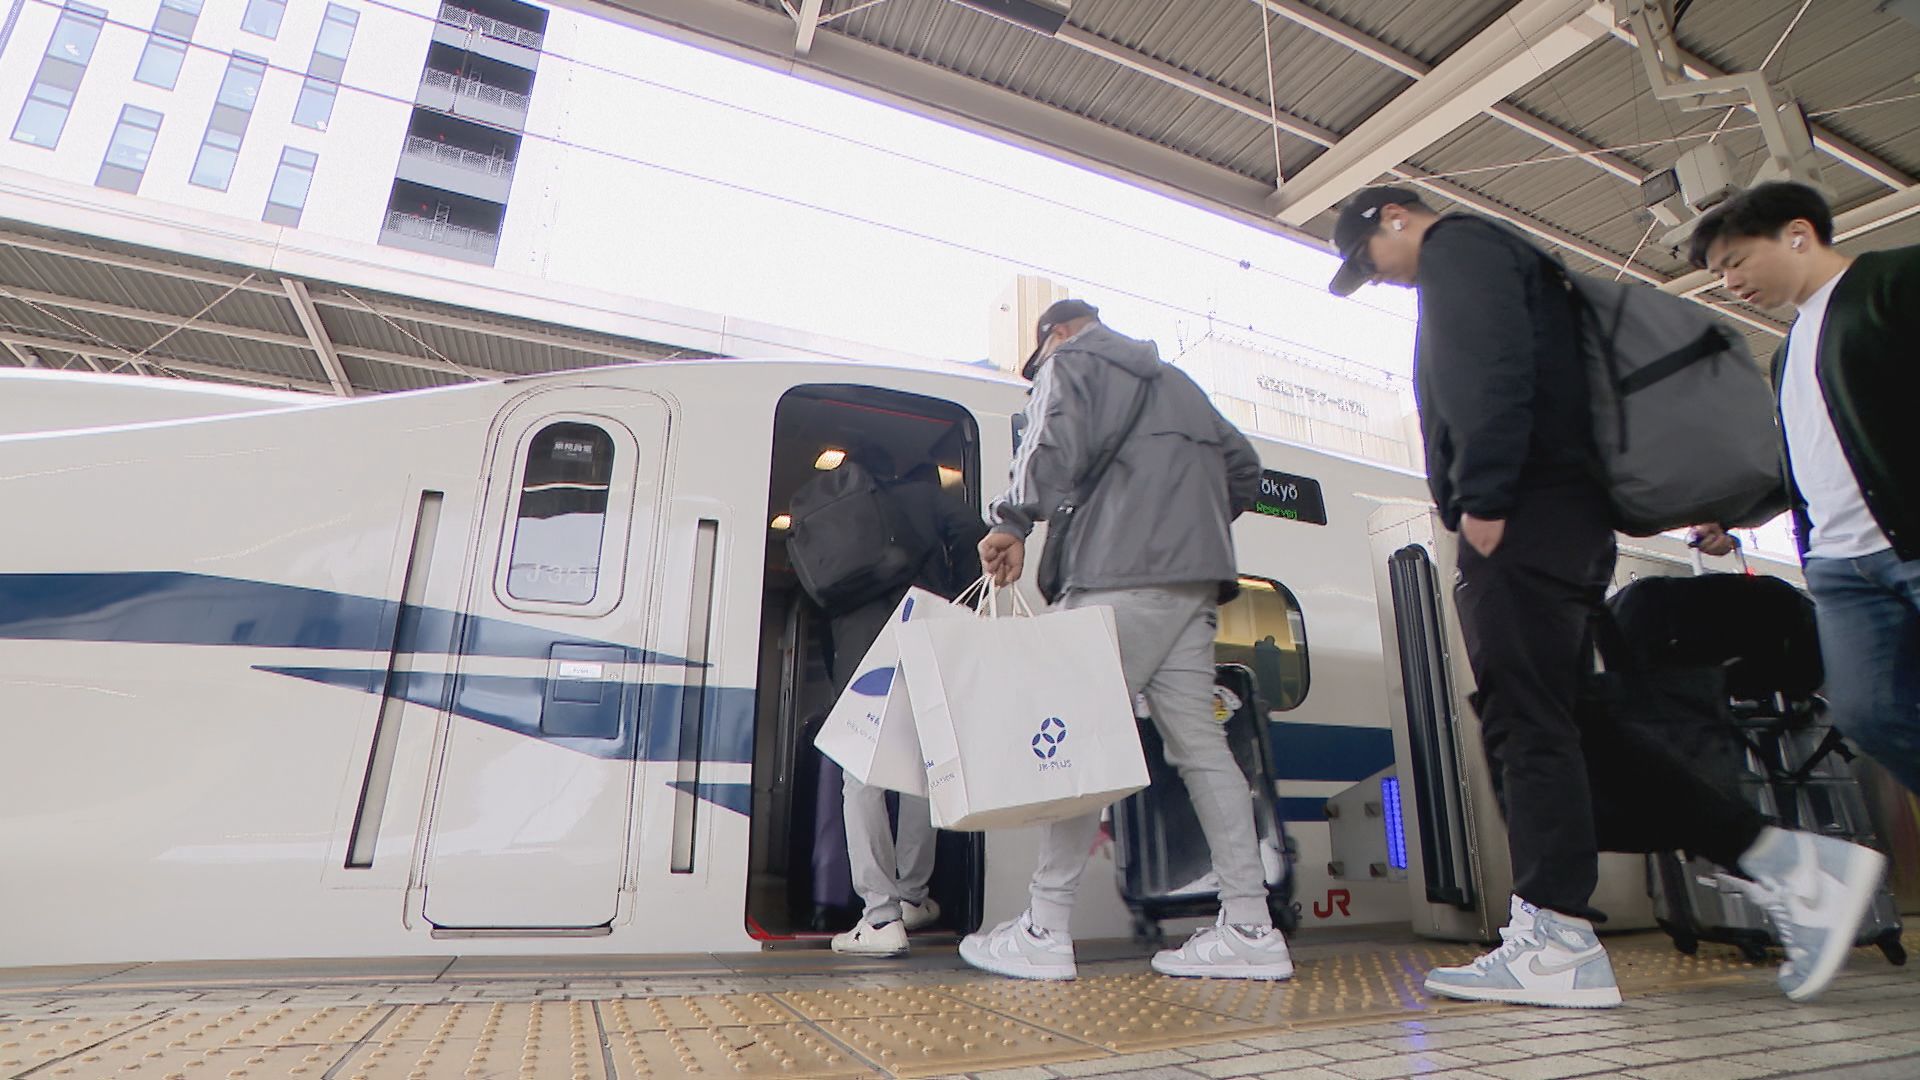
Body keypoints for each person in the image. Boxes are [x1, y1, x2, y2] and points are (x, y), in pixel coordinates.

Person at [1326, 186, 1887, 1006]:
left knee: (1525, 720)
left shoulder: (1462, 251)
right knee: (1571, 724)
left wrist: (1482, 499)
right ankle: (1793, 864)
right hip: (1558, 516)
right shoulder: (1503, 260)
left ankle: (1555, 937)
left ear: (1394, 218)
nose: (1377, 278)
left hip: (1525, 516)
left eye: (1367, 260)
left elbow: (1487, 367)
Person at [962, 298, 1295, 982]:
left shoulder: (1071, 361)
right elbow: (1245, 469)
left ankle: (1045, 928)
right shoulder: (1179, 384)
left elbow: (1049, 441)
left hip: (1116, 577)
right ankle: (1251, 928)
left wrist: (1013, 523)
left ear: (1054, 333)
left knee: (1080, 743)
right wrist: (1182, 524)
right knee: (1203, 751)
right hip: (1194, 586)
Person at [1685, 182, 1919, 798]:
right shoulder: (1788, 355)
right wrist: (1737, 520)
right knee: (1869, 714)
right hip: (1842, 569)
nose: (1728, 283)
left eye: (1735, 261)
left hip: (1911, 541)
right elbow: (1807, 460)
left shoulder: (1896, 281)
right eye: (1717, 274)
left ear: (1797, 234)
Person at [802, 443, 984, 958]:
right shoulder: (930, 499)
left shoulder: (838, 519)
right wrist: (958, 598)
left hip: (859, 648)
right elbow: (973, 533)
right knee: (921, 770)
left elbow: (820, 597)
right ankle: (909, 898)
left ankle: (879, 916)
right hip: (923, 635)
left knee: (861, 776)